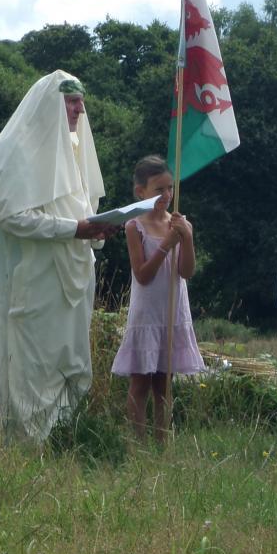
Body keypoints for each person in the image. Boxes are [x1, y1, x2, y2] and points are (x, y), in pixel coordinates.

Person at [0, 70, 118, 442]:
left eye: (81, 101)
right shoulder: (18, 150)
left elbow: (80, 212)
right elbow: (10, 216)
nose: (80, 109)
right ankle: (24, 442)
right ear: (51, 104)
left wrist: (96, 230)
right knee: (32, 359)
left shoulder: (71, 153)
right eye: (72, 101)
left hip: (71, 280)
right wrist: (75, 229)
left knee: (67, 359)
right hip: (35, 279)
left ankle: (63, 437)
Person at [112, 156, 204, 441]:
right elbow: (142, 275)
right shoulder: (134, 226)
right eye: (159, 189)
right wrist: (166, 244)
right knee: (141, 382)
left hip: (172, 312)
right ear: (141, 192)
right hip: (147, 314)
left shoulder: (180, 224)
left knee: (164, 384)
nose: (166, 195)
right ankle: (138, 443)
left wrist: (186, 238)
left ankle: (163, 441)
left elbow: (186, 272)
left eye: (170, 188)